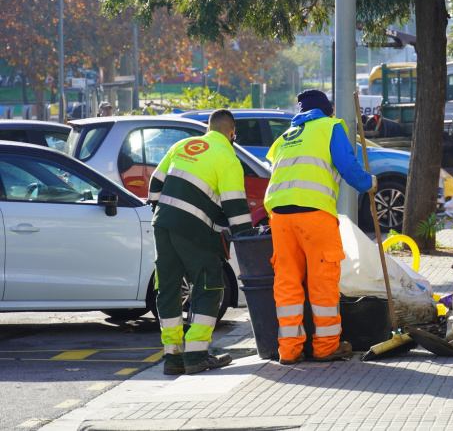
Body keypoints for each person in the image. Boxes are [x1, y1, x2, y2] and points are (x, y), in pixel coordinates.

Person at [264, 89, 376, 365]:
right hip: (314, 213)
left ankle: (289, 351)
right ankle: (326, 346)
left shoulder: (284, 138)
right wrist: (367, 182)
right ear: (329, 110)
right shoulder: (330, 126)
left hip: (279, 215)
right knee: (322, 279)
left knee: (287, 282)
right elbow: (348, 167)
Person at [147, 109, 252, 375]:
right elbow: (236, 205)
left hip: (163, 223)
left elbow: (155, 183)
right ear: (232, 133)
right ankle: (196, 354)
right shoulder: (227, 156)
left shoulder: (182, 145)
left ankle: (173, 357)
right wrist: (247, 236)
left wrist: (164, 214)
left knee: (168, 288)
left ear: (208, 128)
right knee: (209, 285)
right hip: (193, 230)